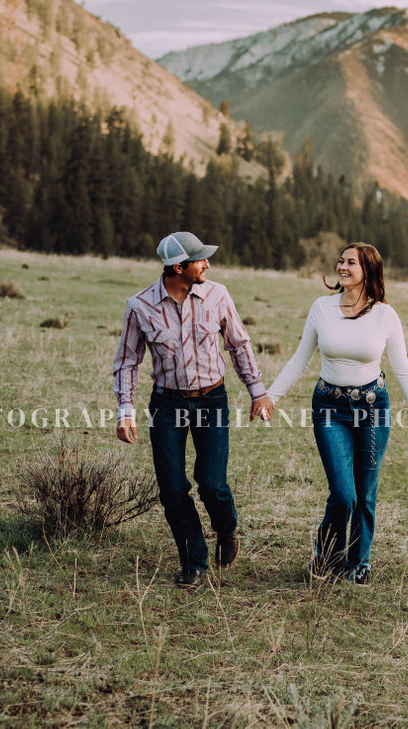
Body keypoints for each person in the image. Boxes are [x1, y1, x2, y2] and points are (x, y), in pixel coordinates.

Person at [262, 242, 408, 585]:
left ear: (368, 270)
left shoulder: (385, 315)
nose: (342, 266)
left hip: (373, 409)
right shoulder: (322, 308)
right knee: (344, 493)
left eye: (351, 262)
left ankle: (359, 562)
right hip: (329, 406)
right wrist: (270, 397)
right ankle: (324, 557)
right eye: (341, 261)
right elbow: (301, 358)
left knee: (365, 492)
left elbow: (402, 369)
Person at [113, 231, 273, 589]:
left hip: (212, 400)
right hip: (166, 404)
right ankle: (193, 561)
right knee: (172, 489)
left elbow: (239, 343)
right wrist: (126, 410)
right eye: (201, 260)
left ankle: (226, 528)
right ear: (178, 267)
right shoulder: (139, 306)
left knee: (212, 484)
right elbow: (126, 363)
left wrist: (257, 392)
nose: (208, 265)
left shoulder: (217, 295)